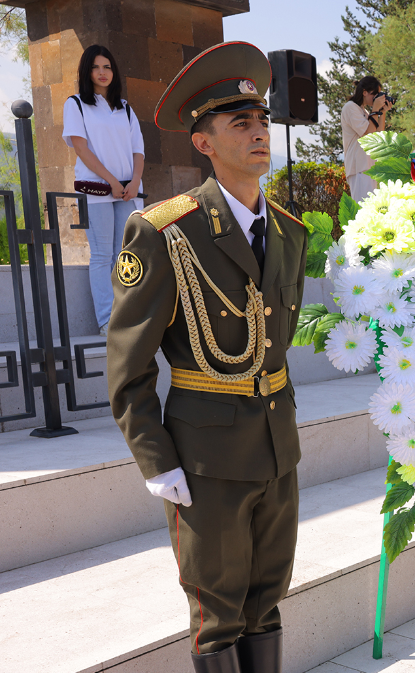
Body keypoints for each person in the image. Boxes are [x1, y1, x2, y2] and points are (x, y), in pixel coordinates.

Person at [107, 42, 307, 673]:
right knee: (217, 616)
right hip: (206, 457)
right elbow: (129, 364)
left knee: (267, 603)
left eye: (261, 121)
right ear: (204, 144)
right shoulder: (167, 231)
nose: (257, 133)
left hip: (276, 447)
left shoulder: (288, 232)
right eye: (239, 124)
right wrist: (155, 459)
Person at [63, 44, 144, 337]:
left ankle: (129, 316)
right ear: (88, 71)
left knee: (127, 254)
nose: (102, 72)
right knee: (102, 254)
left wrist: (134, 181)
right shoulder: (75, 104)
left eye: (107, 66)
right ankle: (107, 321)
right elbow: (81, 148)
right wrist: (111, 180)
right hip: (98, 189)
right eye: (96, 67)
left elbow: (138, 150)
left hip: (128, 191)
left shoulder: (125, 108)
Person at [341, 75, 389, 202]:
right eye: (375, 94)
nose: (377, 98)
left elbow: (377, 136)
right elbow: (367, 135)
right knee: (362, 211)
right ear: (364, 92)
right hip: (359, 168)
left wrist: (382, 112)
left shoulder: (364, 112)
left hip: (368, 167)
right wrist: (375, 110)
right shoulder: (350, 108)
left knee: (370, 212)